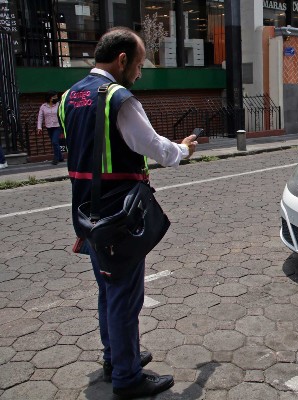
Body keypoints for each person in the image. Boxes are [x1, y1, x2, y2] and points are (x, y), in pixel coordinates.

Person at [58, 27, 198, 399]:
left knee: (108, 288)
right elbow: (155, 148)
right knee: (124, 295)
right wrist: (183, 149)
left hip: (87, 212)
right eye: (138, 65)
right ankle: (127, 376)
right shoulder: (119, 99)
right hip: (119, 216)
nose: (139, 73)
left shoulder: (69, 96)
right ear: (122, 60)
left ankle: (117, 355)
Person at [37, 91, 64, 165]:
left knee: (55, 142)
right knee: (55, 143)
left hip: (57, 126)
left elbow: (62, 114)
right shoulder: (43, 106)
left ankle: (56, 158)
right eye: (54, 97)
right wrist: (39, 127)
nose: (56, 98)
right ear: (50, 98)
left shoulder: (59, 105)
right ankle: (61, 157)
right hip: (49, 127)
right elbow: (40, 117)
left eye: (56, 97)